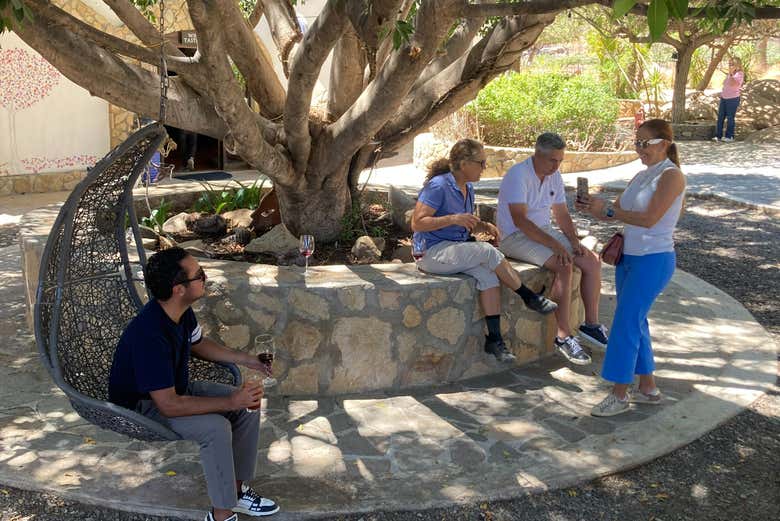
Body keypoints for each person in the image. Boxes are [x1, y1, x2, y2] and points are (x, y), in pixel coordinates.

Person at [108, 248, 279, 521]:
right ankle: (221, 515)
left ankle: (236, 494)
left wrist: (248, 360)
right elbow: (168, 406)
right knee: (216, 428)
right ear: (179, 289)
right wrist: (230, 402)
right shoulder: (150, 335)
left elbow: (198, 344)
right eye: (199, 275)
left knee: (249, 405)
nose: (205, 277)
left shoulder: (181, 311)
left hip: (174, 390)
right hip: (144, 406)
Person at [411, 138, 558, 364]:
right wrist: (452, 218)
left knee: (488, 276)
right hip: (430, 253)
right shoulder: (438, 186)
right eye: (481, 163)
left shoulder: (468, 188)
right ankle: (529, 297)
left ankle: (495, 340)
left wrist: (483, 226)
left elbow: (464, 222)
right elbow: (417, 223)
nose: (484, 167)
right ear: (463, 164)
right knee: (487, 252)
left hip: (453, 249)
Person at [576, 119, 686, 417]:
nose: (639, 149)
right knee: (636, 321)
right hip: (629, 258)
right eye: (637, 142)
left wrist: (610, 210)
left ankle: (619, 393)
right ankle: (648, 387)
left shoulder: (671, 176)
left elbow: (649, 218)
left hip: (654, 259)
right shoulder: (642, 175)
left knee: (625, 323)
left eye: (645, 143)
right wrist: (595, 206)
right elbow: (617, 211)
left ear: (664, 144)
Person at [497, 132, 609, 367]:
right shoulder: (518, 175)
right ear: (537, 154)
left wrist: (573, 241)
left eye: (560, 160)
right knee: (563, 264)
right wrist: (556, 245)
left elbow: (561, 213)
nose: (556, 166)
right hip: (515, 237)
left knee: (591, 260)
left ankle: (591, 325)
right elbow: (520, 221)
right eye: (552, 160)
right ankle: (563, 335)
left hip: (543, 231)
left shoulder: (554, 175)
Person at [712, 57, 744, 142]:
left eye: (732, 64)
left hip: (733, 99)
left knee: (730, 118)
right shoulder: (730, 74)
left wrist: (731, 74)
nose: (730, 66)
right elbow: (725, 84)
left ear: (737, 65)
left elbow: (734, 84)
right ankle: (718, 136)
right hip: (724, 98)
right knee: (720, 117)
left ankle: (730, 136)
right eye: (729, 64)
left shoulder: (739, 74)